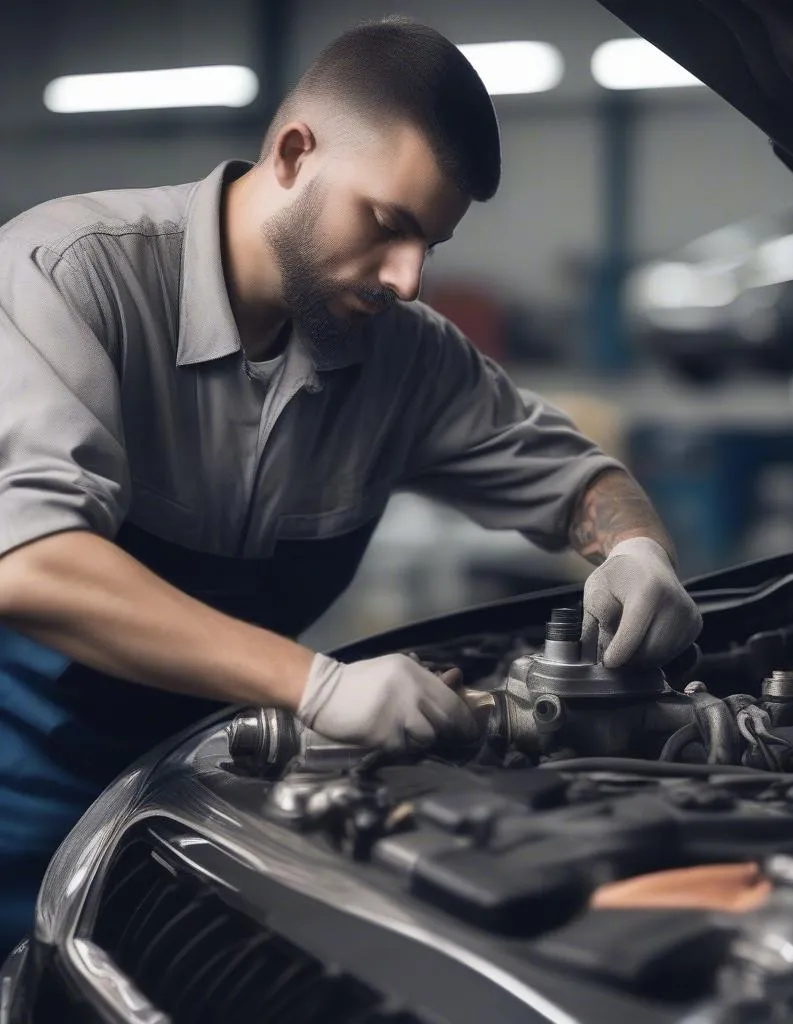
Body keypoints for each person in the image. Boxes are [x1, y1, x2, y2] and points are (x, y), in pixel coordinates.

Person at [0, 17, 702, 950]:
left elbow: (580, 479)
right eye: (387, 225)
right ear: (293, 153)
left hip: (199, 798)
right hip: (15, 805)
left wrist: (637, 549)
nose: (409, 279)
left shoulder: (404, 359)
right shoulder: (70, 277)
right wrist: (317, 685)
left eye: (432, 244)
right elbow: (31, 560)